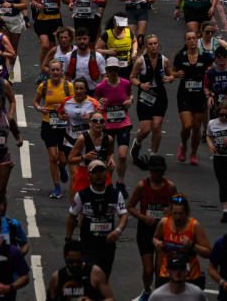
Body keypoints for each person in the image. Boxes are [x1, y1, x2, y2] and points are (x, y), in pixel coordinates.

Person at [125, 154, 178, 296]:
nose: (157, 174)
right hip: (145, 230)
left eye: (159, 171)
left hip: (163, 231)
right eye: (154, 171)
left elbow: (179, 208)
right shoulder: (142, 186)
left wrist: (171, 211)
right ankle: (147, 291)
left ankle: (158, 296)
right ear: (150, 170)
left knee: (160, 269)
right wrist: (142, 217)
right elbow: (129, 206)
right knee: (148, 270)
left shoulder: (170, 187)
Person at [66, 159, 128, 276]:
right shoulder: (81, 195)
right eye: (95, 172)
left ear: (106, 173)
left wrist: (117, 231)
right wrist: (68, 240)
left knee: (103, 278)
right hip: (87, 246)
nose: (98, 174)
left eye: (101, 171)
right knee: (91, 277)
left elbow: (123, 215)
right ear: (89, 176)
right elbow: (71, 217)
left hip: (107, 246)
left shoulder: (115, 194)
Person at [153, 193, 211, 292]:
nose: (178, 217)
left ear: (186, 212)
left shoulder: (194, 226)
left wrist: (192, 245)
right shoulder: (163, 223)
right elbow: (155, 238)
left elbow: (208, 252)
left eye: (181, 214)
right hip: (167, 273)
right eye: (175, 213)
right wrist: (157, 242)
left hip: (189, 276)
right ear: (170, 211)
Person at [92, 57, 133, 190]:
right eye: (110, 70)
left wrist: (130, 101)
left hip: (123, 124)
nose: (113, 72)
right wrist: (100, 104)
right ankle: (108, 183)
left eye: (115, 69)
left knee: (122, 156)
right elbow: (94, 103)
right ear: (107, 71)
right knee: (107, 158)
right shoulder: (101, 86)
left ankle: (120, 183)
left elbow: (130, 96)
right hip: (107, 126)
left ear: (118, 70)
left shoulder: (126, 83)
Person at [130, 34, 171, 168]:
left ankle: (153, 155)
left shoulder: (164, 60)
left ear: (158, 45)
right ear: (147, 46)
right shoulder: (140, 61)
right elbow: (132, 77)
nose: (153, 46)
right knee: (146, 129)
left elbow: (171, 75)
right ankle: (138, 142)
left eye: (155, 43)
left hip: (159, 96)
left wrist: (169, 79)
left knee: (157, 126)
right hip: (145, 96)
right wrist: (140, 85)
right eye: (150, 44)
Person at [35, 61, 74, 198]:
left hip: (64, 126)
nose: (56, 72)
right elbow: (35, 102)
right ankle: (56, 187)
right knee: (53, 157)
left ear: (62, 71)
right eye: (53, 70)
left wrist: (64, 109)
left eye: (58, 70)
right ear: (49, 72)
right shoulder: (44, 86)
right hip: (48, 124)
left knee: (63, 159)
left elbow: (74, 104)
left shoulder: (69, 87)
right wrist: (40, 108)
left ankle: (62, 168)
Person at [172, 32, 211, 165]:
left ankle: (193, 153)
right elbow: (172, 71)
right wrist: (177, 74)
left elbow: (211, 70)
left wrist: (208, 76)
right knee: (187, 125)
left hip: (199, 96)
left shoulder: (204, 57)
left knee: (196, 127)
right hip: (184, 95)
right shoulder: (180, 56)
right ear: (186, 41)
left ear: (197, 40)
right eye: (189, 39)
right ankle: (183, 145)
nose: (192, 41)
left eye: (194, 38)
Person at [46, 239, 116, 301]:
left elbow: (111, 299)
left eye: (78, 261)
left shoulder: (95, 273)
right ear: (65, 257)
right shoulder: (56, 277)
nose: (75, 265)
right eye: (71, 262)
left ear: (83, 257)